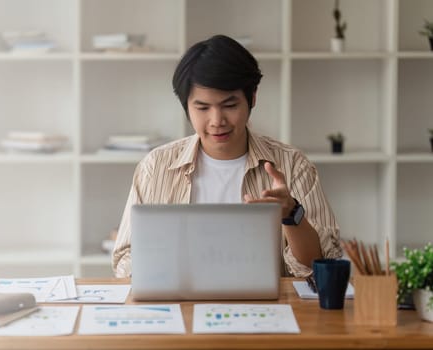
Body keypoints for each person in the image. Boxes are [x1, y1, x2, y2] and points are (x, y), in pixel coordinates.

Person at [112, 34, 342, 278]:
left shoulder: (293, 165)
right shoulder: (156, 167)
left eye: (230, 105)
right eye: (202, 108)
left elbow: (320, 266)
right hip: (180, 307)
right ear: (186, 107)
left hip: (267, 311)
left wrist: (292, 215)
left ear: (252, 98)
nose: (216, 121)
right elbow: (125, 257)